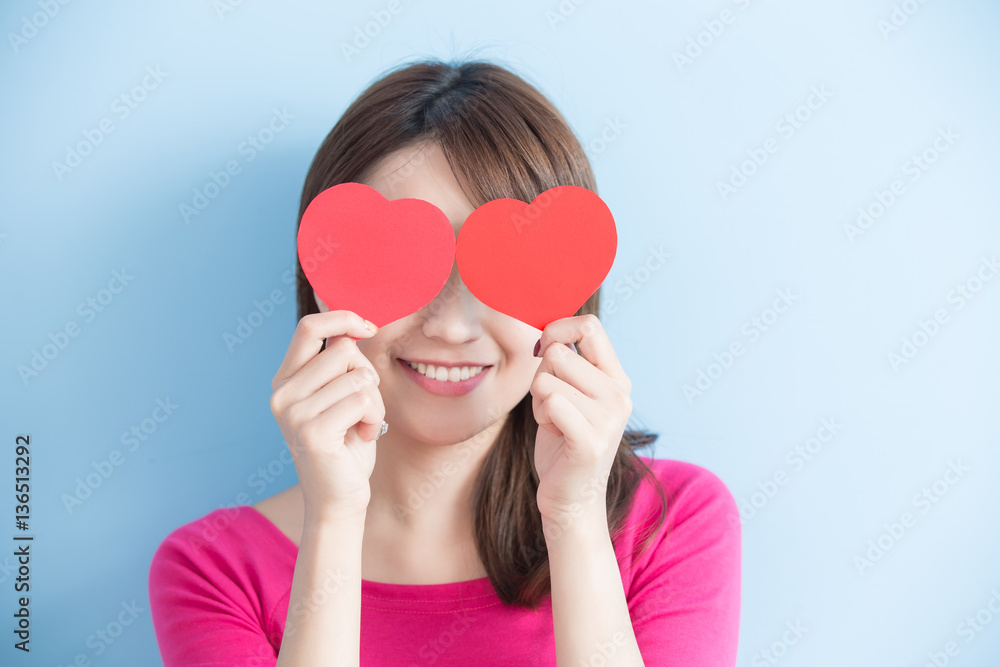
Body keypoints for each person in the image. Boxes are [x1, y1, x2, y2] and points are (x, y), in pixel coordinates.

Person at [148, 58, 741, 666]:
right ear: (323, 281)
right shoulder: (215, 570)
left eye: (501, 268)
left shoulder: (669, 523)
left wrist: (573, 519)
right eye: (399, 263)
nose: (451, 327)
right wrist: (333, 521)